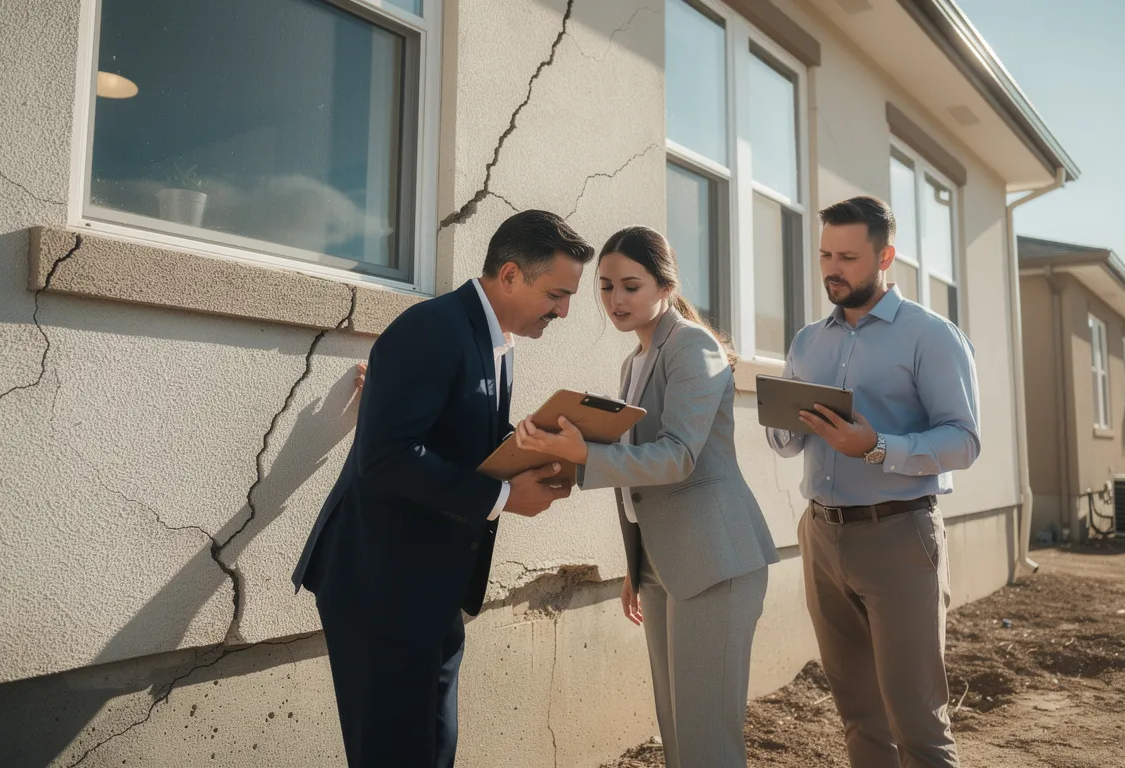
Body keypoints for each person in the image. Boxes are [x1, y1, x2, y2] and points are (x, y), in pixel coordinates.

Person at [291, 209, 594, 768]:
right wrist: (504, 499)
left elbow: (458, 437)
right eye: (556, 294)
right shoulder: (431, 329)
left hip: (432, 589)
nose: (564, 311)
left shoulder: (494, 340)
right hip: (381, 588)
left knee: (432, 751)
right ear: (509, 275)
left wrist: (539, 455)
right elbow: (386, 458)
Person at [514, 225, 778, 768]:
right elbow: (638, 476)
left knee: (708, 741)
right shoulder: (634, 362)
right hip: (664, 562)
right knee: (678, 732)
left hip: (716, 560)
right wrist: (637, 563)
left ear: (665, 284)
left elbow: (677, 455)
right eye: (606, 287)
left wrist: (585, 454)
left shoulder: (693, 346)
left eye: (630, 286)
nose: (616, 300)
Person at [767, 196, 980, 768]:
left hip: (900, 535)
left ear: (886, 256)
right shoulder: (808, 340)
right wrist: (784, 423)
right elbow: (788, 441)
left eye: (848, 256)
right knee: (859, 715)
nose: (833, 268)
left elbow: (963, 440)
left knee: (916, 719)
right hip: (821, 536)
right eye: (825, 255)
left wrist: (878, 446)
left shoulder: (931, 336)